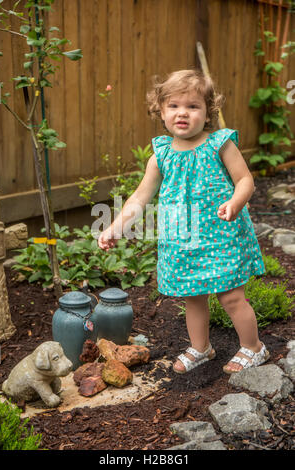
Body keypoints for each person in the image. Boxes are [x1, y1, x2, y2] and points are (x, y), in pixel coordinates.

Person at [98, 69, 270, 375]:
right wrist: (116, 225)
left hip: (223, 235)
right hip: (183, 238)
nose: (183, 113)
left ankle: (253, 347)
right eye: (174, 106)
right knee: (193, 297)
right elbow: (140, 197)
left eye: (192, 106)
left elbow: (245, 180)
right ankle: (201, 347)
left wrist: (235, 202)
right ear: (161, 111)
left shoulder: (220, 144)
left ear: (207, 113)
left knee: (231, 297)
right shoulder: (161, 156)